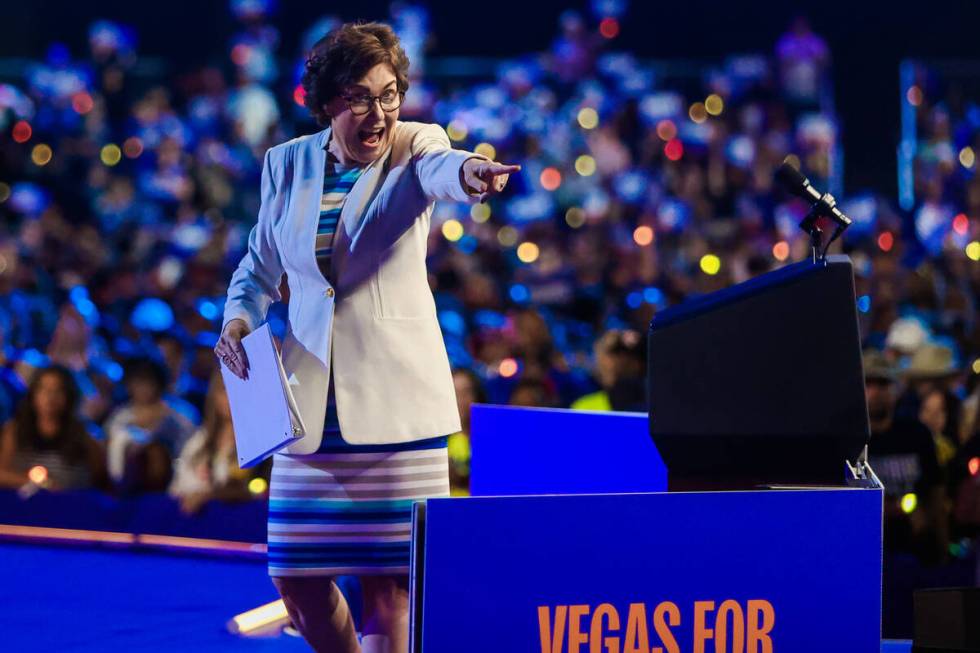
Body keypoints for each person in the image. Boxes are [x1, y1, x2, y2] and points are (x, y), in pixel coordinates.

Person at [213, 22, 518, 653]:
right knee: (294, 579)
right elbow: (258, 268)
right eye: (358, 97)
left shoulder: (416, 145)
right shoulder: (286, 163)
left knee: (389, 588)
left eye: (388, 95)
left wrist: (473, 173)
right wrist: (239, 320)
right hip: (306, 412)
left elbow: (443, 169)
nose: (377, 113)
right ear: (327, 104)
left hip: (396, 410)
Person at [863, 350, 947, 564]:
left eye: (882, 384)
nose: (875, 392)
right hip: (868, 547)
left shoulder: (916, 434)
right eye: (868, 383)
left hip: (914, 547)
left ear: (895, 389)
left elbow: (935, 490)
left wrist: (942, 544)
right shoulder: (850, 440)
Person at [169, 370, 269, 514]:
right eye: (225, 389)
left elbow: (254, 489)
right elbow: (179, 483)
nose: (232, 397)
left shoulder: (258, 441)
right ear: (214, 395)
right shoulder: (200, 439)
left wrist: (208, 496)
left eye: (239, 390)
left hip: (236, 520)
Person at [0, 365, 106, 490]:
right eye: (44, 390)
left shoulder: (85, 435)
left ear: (69, 396)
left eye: (58, 391)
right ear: (33, 394)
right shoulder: (15, 430)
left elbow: (100, 479)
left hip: (69, 504)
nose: (50, 398)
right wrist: (39, 483)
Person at [104, 357, 194, 494]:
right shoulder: (120, 416)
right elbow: (108, 443)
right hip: (123, 480)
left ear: (158, 384)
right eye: (138, 383)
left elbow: (189, 446)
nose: (143, 389)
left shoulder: (179, 414)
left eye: (148, 383)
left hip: (169, 479)